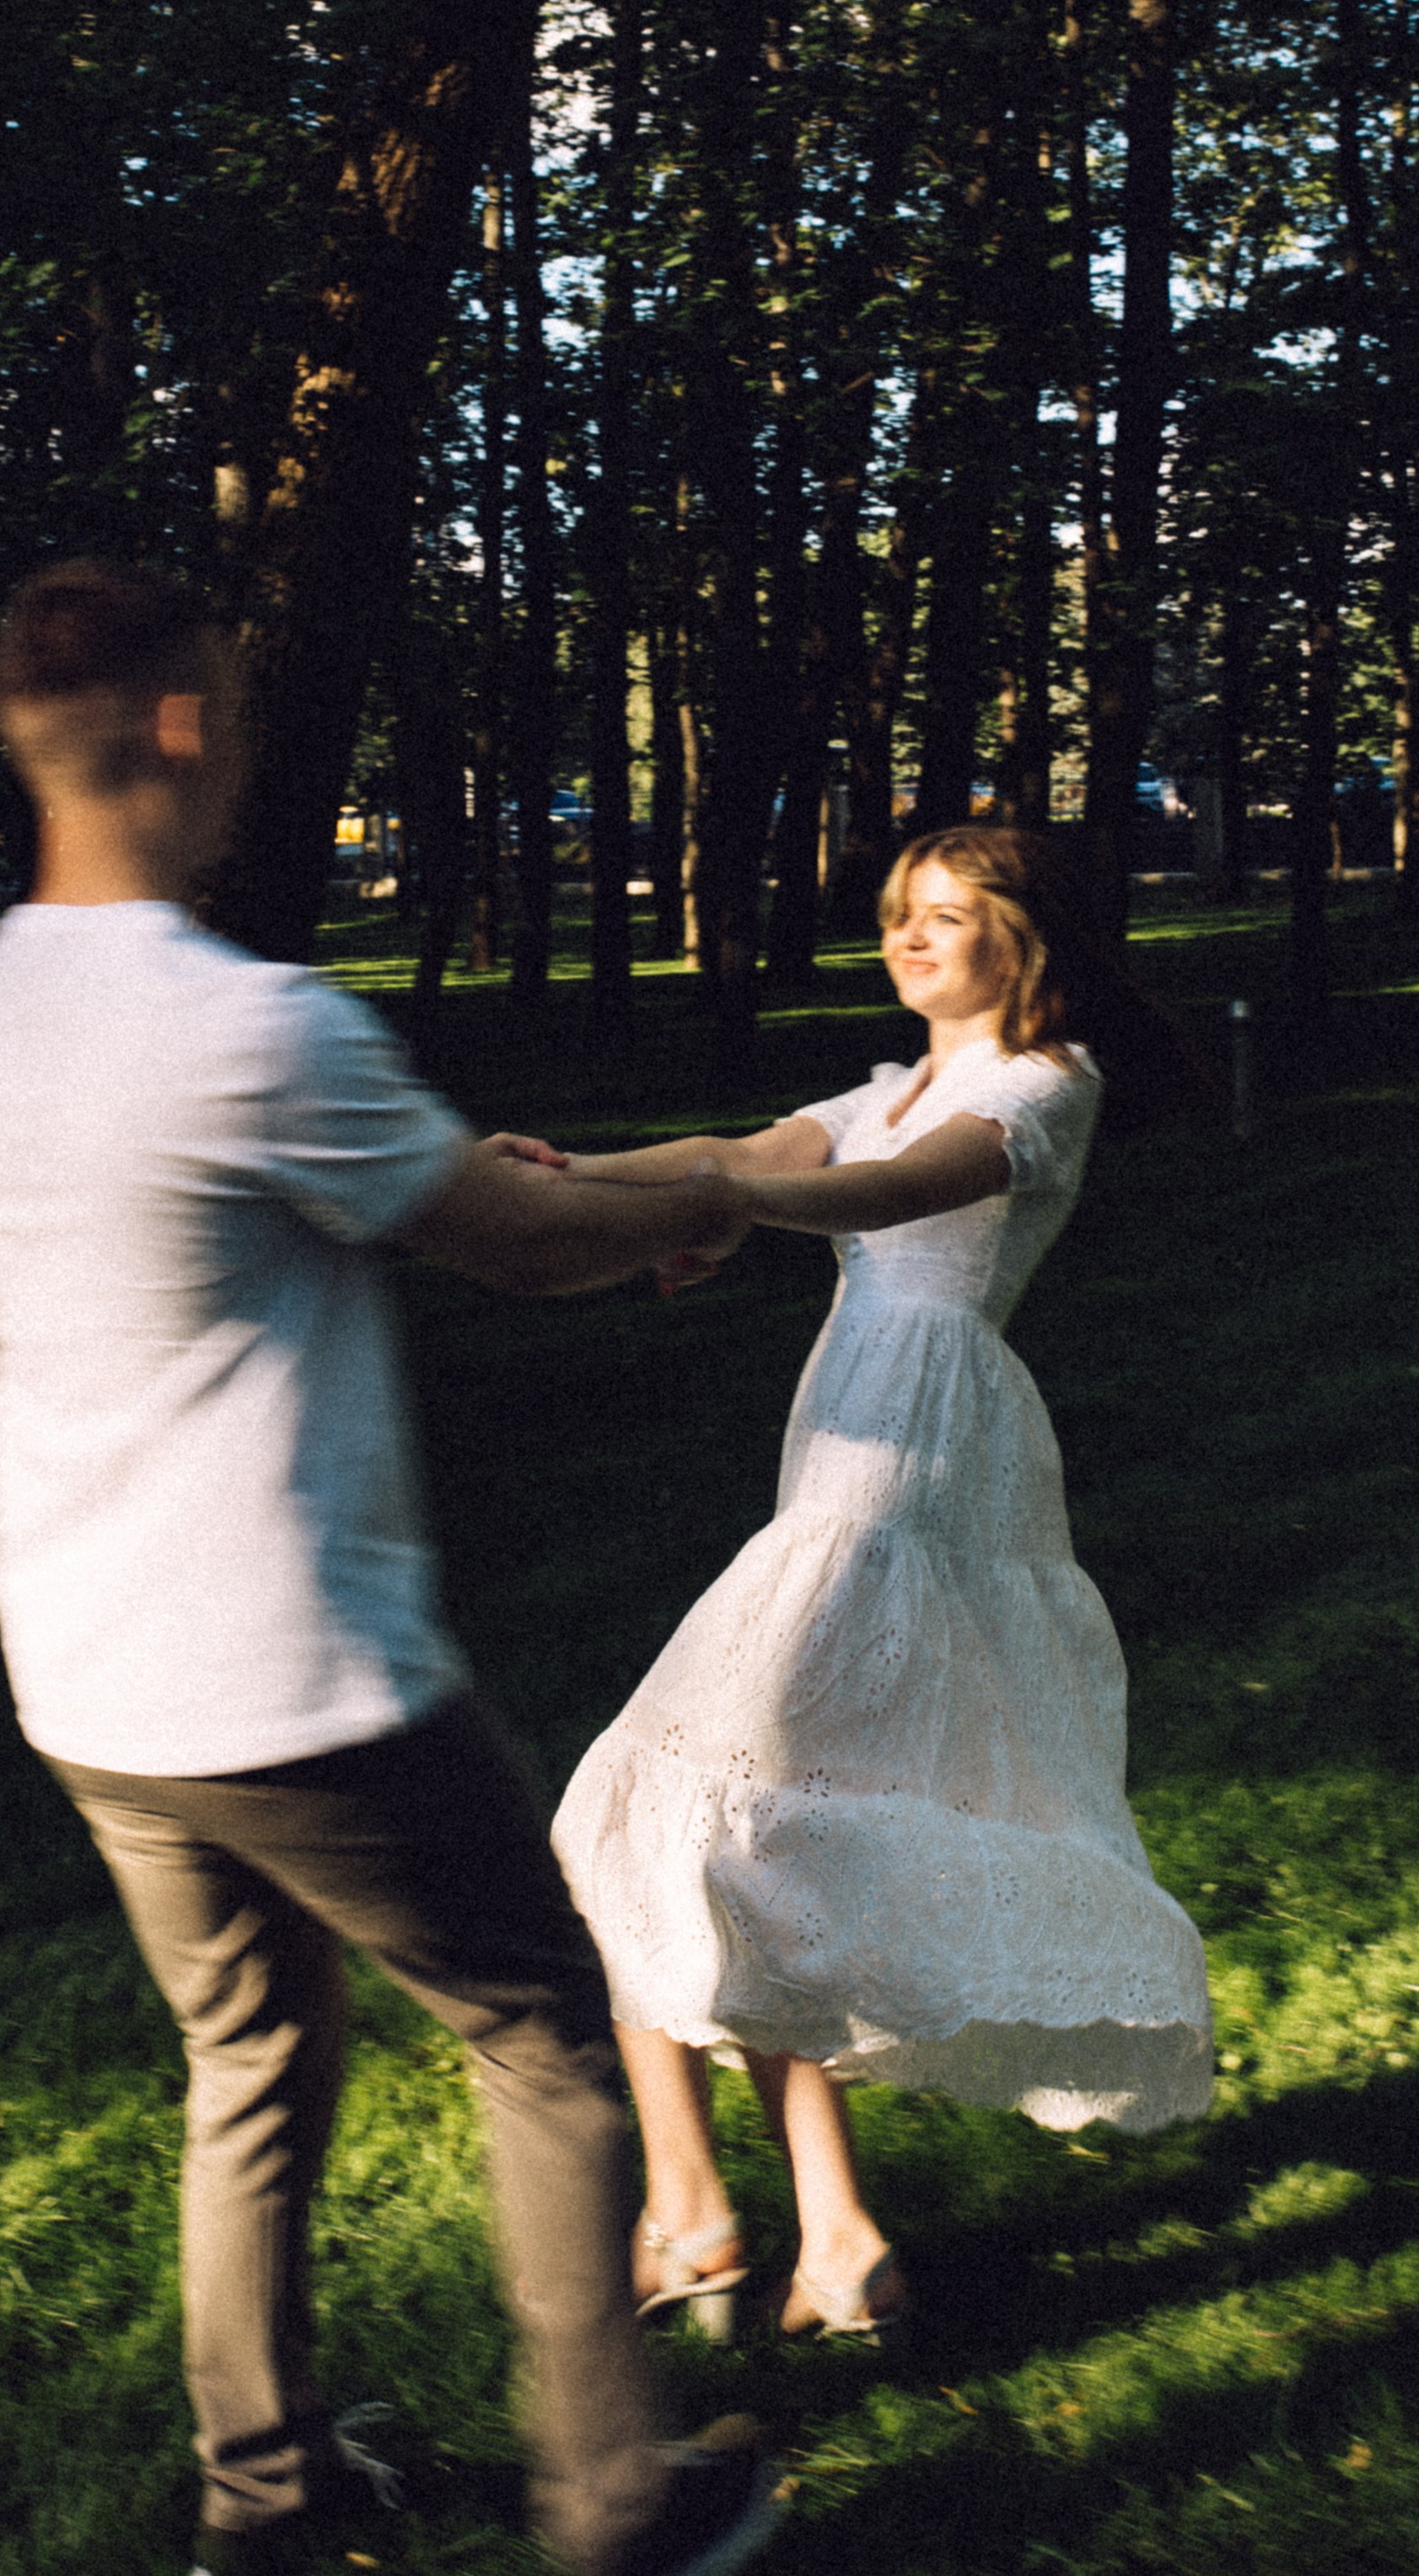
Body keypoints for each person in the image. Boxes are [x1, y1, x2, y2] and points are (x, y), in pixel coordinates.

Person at [0, 559, 780, 2576]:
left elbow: (377, 1205)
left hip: (88, 1676)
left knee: (248, 2066)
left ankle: (267, 2506)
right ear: (184, 724)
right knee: (548, 2034)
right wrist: (713, 1188)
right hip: (293, 1678)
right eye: (229, 705)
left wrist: (509, 1189)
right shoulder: (245, 1023)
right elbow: (516, 1241)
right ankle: (618, 2507)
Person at [549, 826, 1215, 2345]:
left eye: (946, 915)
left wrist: (717, 1208)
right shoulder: (888, 1087)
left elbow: (886, 1199)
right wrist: (567, 1174)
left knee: (657, 1809)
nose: (908, 937)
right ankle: (830, 2240)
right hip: (850, 1441)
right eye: (900, 913)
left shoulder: (1040, 1087)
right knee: (738, 1835)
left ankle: (698, 2218)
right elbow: (748, 1154)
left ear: (1020, 940)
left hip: (914, 1460)